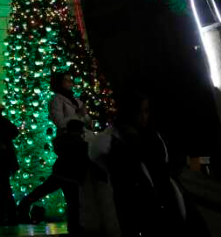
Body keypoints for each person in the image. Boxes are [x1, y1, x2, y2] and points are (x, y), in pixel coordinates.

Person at [109, 93, 188, 237]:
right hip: (148, 211)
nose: (144, 116)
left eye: (146, 111)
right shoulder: (123, 143)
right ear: (130, 112)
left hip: (162, 206)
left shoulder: (151, 135)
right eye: (140, 111)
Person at [17, 72, 91, 222]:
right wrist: (77, 115)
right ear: (59, 83)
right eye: (66, 80)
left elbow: (87, 120)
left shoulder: (76, 100)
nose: (70, 82)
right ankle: (74, 224)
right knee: (65, 186)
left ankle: (26, 202)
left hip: (81, 143)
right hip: (69, 145)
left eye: (71, 80)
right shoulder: (56, 100)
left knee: (58, 184)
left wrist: (87, 118)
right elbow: (60, 122)